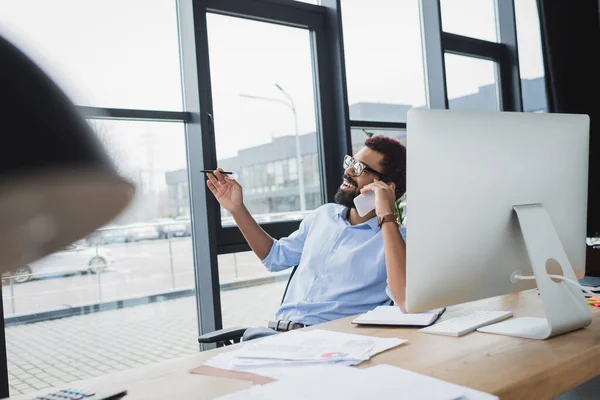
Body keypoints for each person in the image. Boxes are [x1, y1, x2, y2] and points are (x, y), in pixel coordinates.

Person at [206, 136, 407, 336]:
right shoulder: (324, 215)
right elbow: (274, 257)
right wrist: (237, 209)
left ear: (387, 186)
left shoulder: (399, 241)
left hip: (332, 342)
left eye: (359, 168)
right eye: (351, 163)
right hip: (276, 333)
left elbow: (404, 299)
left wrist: (386, 215)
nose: (347, 171)